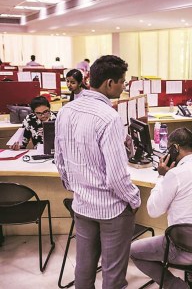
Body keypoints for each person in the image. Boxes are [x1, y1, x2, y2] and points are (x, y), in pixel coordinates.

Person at [54, 55, 141, 289]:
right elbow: (116, 176)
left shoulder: (65, 111)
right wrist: (133, 199)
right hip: (111, 209)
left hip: (82, 204)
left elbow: (59, 160)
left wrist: (76, 188)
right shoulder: (109, 118)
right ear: (109, 83)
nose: (124, 86)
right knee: (112, 273)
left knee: (84, 267)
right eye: (123, 81)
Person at [130, 127, 192, 289]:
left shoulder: (174, 175)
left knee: (133, 251)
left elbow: (153, 210)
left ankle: (175, 286)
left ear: (175, 148)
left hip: (186, 249)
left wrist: (161, 176)